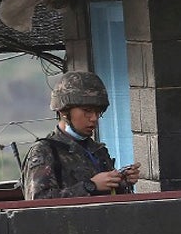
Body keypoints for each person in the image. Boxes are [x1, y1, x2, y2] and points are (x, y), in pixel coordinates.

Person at [22, 71, 140, 200]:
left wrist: (121, 183)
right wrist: (90, 186)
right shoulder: (45, 151)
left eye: (98, 112)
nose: (94, 118)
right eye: (87, 111)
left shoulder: (97, 150)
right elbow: (37, 203)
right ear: (64, 112)